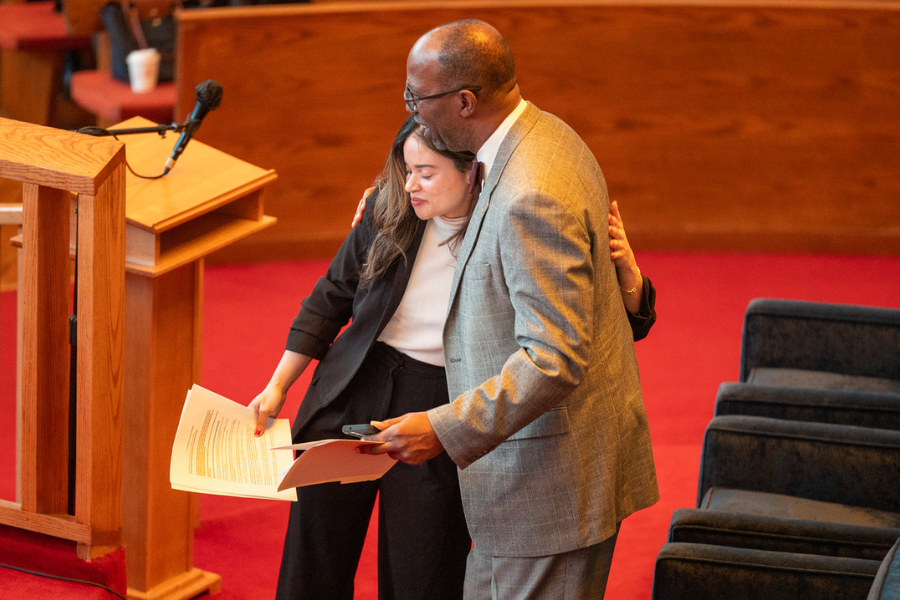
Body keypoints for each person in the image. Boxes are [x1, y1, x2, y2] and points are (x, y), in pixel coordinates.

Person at [361, 20, 660, 599]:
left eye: (415, 98)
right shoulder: (549, 135)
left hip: (547, 489)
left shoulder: (530, 191)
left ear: (465, 101)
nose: (412, 112)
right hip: (559, 475)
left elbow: (554, 357)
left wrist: (443, 429)